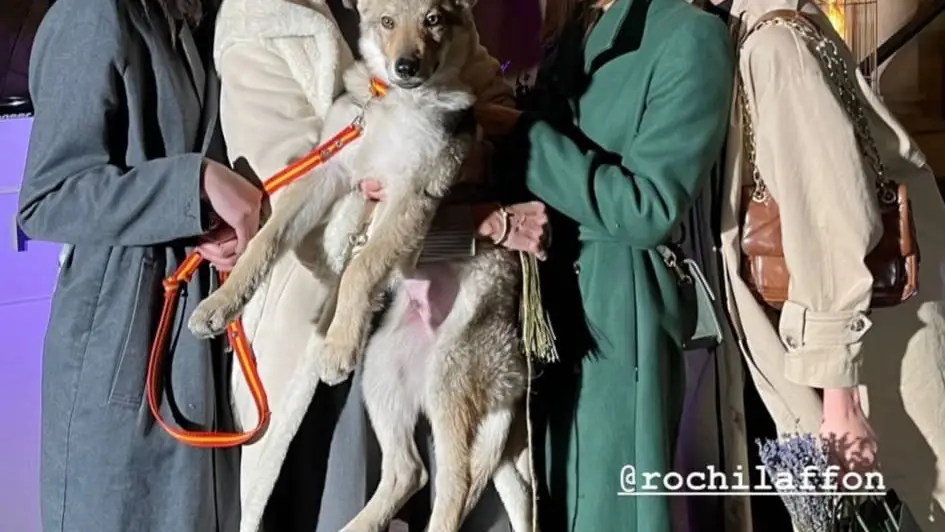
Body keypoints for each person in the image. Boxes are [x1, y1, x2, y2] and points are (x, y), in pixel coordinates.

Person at [213, 0, 547, 530]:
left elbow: (497, 111)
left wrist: (462, 157)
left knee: (473, 477)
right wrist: (479, 223)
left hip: (439, 297)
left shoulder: (429, 12)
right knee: (329, 498)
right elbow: (300, 204)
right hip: (320, 327)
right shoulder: (260, 18)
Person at [493, 0, 734, 530]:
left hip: (618, 306)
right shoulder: (573, 26)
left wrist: (524, 138)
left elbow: (650, 207)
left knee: (605, 508)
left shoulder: (691, 36)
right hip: (540, 301)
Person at [707, 0, 945, 529]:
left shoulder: (776, 46)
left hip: (872, 360)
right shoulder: (771, 31)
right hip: (872, 344)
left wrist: (838, 405)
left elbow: (834, 219)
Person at [17, 0, 252, 531]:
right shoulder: (91, 13)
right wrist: (191, 185)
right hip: (118, 343)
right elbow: (48, 197)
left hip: (193, 342)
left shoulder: (197, 18)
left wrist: (212, 222)